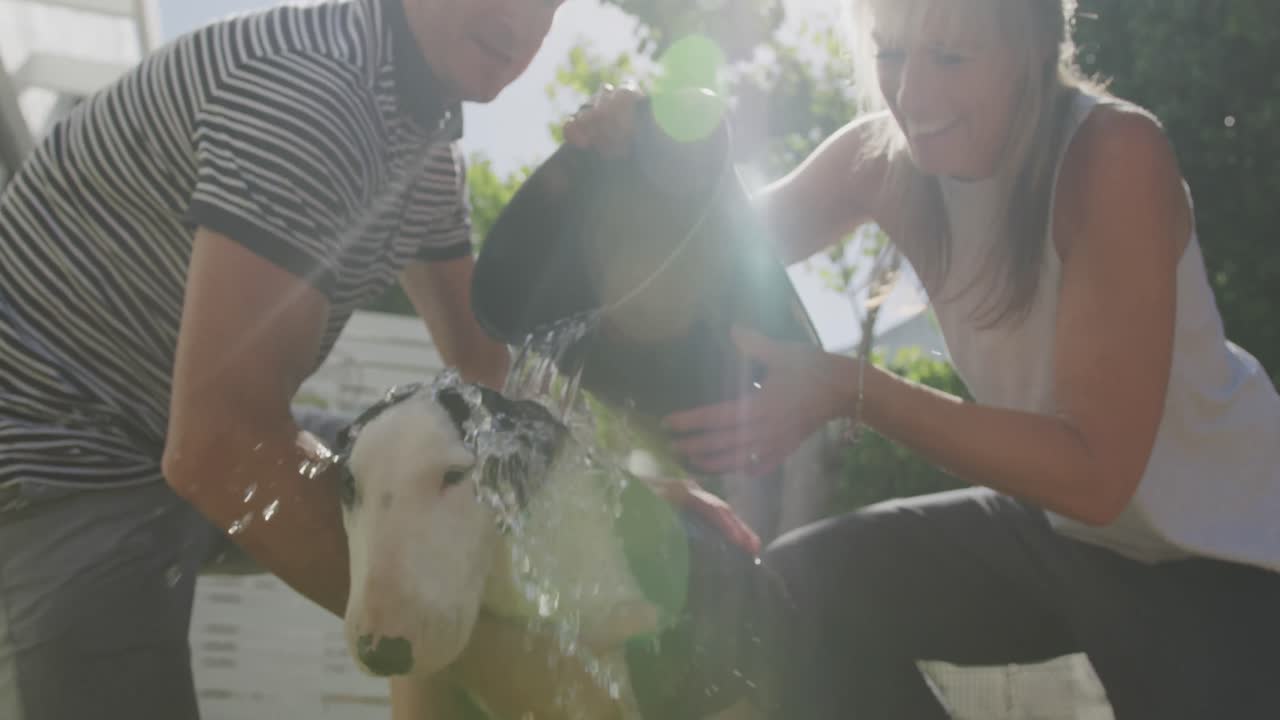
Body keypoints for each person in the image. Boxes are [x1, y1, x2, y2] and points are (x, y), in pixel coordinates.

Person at [566, 0, 1280, 717]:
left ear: (1032, 47)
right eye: (892, 54)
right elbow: (714, 254)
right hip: (1060, 532)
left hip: (1219, 554)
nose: (911, 96)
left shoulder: (1113, 156)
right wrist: (658, 154)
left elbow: (1098, 475)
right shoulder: (878, 160)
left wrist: (853, 389)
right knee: (800, 591)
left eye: (950, 57)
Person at [0, 0, 561, 716]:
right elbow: (219, 448)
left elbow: (493, 376)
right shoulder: (313, 94)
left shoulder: (423, 141)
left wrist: (602, 499)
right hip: (46, 451)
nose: (519, 19)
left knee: (429, 472)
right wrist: (504, 663)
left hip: (160, 427)